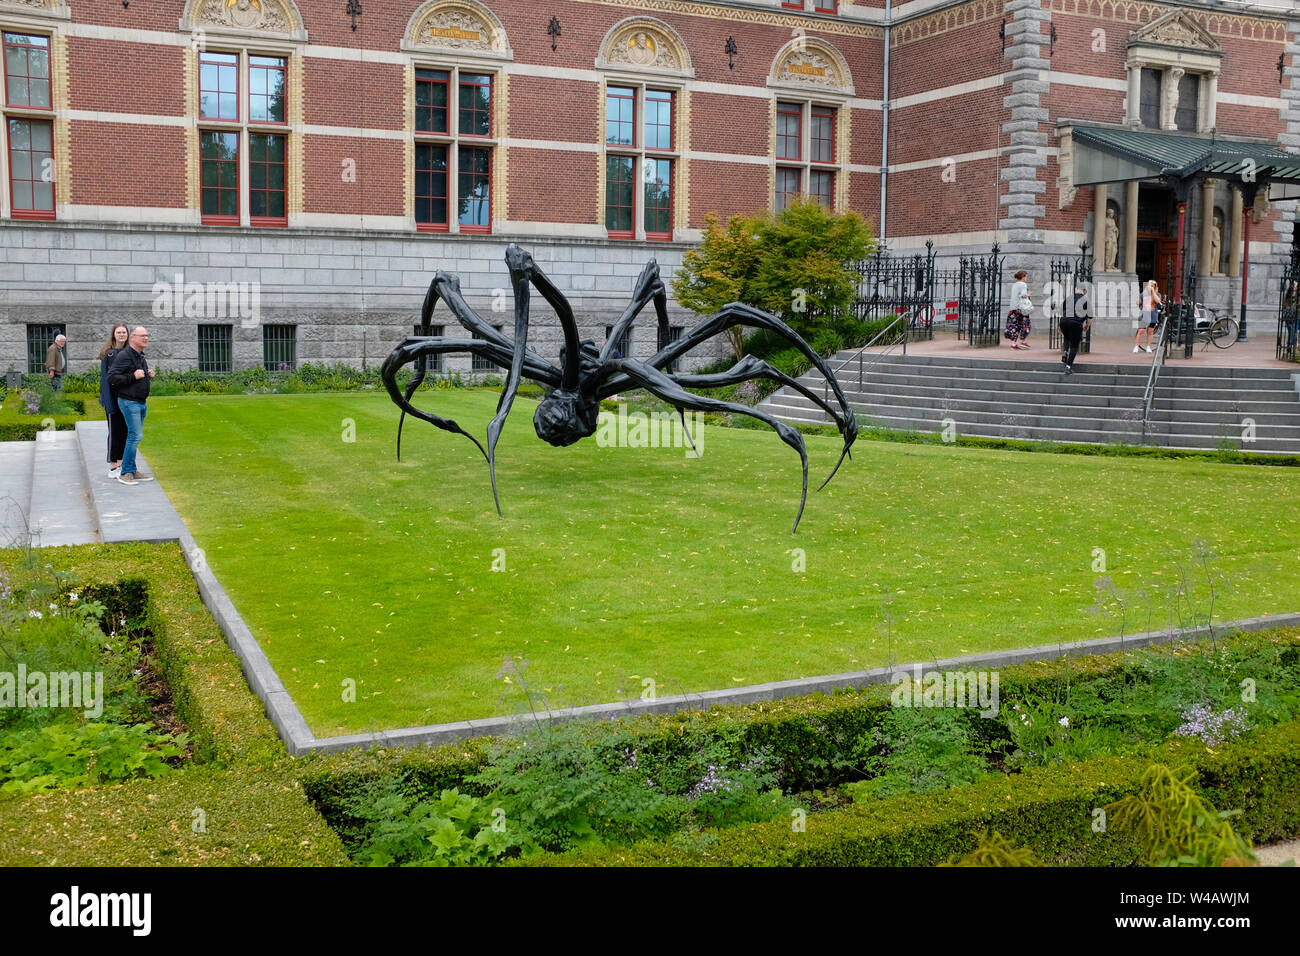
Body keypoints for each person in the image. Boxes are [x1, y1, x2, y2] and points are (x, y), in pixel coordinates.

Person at [108, 326, 156, 486]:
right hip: (129, 402)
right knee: (135, 436)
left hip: (140, 402)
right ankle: (125, 472)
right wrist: (132, 376)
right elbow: (112, 377)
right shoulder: (124, 356)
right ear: (133, 337)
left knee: (134, 436)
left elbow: (137, 375)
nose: (146, 338)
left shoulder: (140, 356)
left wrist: (148, 375)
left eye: (147, 336)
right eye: (142, 336)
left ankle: (132, 470)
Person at [98, 323, 129, 477]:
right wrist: (108, 401)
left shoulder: (130, 352)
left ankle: (121, 463)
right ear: (114, 334)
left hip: (127, 398)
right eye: (119, 332)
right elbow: (105, 379)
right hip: (112, 398)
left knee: (125, 431)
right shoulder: (108, 354)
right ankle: (113, 466)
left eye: (124, 332)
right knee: (114, 431)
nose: (122, 334)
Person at [1059, 284, 1091, 374]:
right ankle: (1068, 366)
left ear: (1076, 289)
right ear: (1084, 291)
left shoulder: (1068, 298)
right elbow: (1090, 317)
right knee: (1074, 346)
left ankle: (1065, 351)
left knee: (1067, 336)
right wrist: (1087, 325)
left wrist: (1060, 326)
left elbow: (1062, 312)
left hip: (1064, 321)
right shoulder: (1086, 300)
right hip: (1076, 323)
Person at [1005, 270, 1032, 349]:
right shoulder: (1023, 284)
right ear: (1023, 277)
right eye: (1026, 276)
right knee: (1026, 324)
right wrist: (1028, 294)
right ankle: (1023, 342)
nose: (1026, 278)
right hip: (1021, 309)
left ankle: (1013, 344)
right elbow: (1023, 295)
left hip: (1013, 308)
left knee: (1015, 326)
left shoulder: (1014, 285)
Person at [1135, 280, 1161, 353]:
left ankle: (1148, 346)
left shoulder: (1158, 294)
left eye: (1152, 286)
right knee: (1141, 331)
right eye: (1149, 285)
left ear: (1155, 287)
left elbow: (1158, 301)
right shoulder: (1143, 294)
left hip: (1153, 314)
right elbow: (1138, 302)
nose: (1150, 287)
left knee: (1150, 331)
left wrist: (1153, 292)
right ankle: (1136, 346)